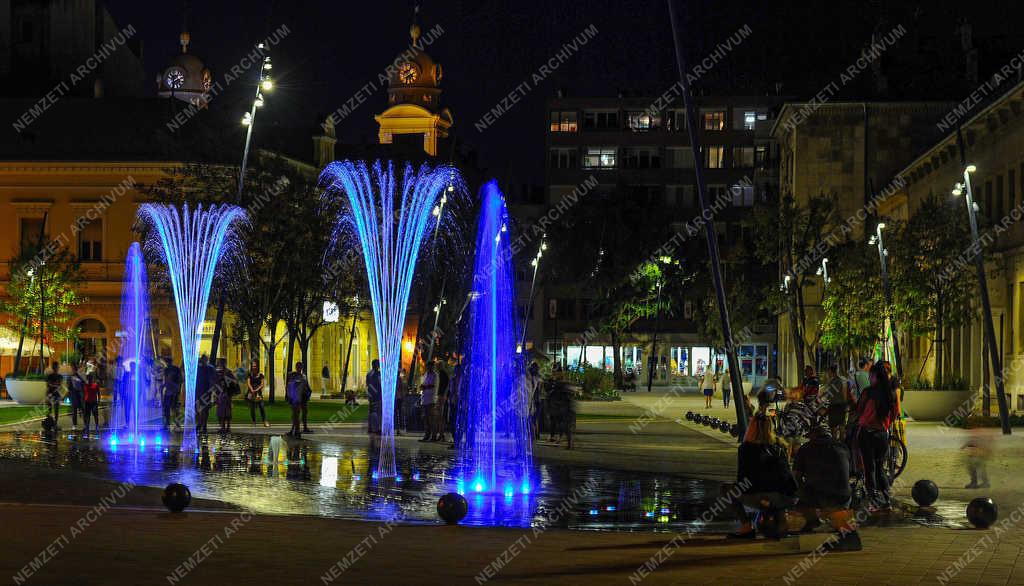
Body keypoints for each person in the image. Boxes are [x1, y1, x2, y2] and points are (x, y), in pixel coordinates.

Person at [728, 389, 798, 539]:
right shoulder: (780, 446)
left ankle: (747, 527)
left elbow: (742, 478)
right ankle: (779, 523)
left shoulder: (746, 449)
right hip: (784, 495)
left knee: (727, 490)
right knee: (775, 495)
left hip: (760, 494)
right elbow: (785, 474)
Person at [792, 424, 862, 551]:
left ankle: (815, 521)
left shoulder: (806, 448)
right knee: (838, 503)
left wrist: (802, 489)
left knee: (799, 498)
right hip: (844, 493)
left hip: (822, 494)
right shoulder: (842, 447)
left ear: (813, 436)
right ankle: (821, 523)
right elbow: (852, 471)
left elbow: (796, 475)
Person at [853, 361, 896, 508]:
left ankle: (873, 498)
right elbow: (894, 415)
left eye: (871, 375)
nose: (869, 378)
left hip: (866, 433)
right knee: (879, 467)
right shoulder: (891, 394)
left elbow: (859, 410)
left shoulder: (868, 392)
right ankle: (886, 498)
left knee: (868, 467)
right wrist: (884, 426)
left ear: (875, 376)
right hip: (882, 435)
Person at [822, 364, 850, 438]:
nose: (828, 373)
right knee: (840, 425)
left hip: (836, 406)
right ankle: (840, 443)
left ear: (831, 371)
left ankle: (838, 443)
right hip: (840, 406)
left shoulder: (836, 381)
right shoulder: (838, 380)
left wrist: (823, 397)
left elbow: (831, 393)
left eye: (828, 372)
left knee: (836, 427)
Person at [285, 362, 312, 438]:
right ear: (296, 367)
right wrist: (290, 396)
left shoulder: (303, 376)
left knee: (301, 413)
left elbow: (306, 386)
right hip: (296, 398)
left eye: (300, 367)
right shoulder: (293, 376)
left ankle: (300, 429)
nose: (299, 368)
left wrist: (308, 393)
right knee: (295, 415)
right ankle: (296, 430)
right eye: (298, 367)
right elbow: (290, 387)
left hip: (303, 398)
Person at [214, 358, 236, 433]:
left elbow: (233, 383)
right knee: (222, 411)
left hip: (226, 394)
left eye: (221, 363)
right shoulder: (219, 372)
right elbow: (216, 383)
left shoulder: (227, 372)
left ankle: (227, 426)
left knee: (226, 410)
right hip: (222, 394)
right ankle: (223, 426)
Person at [195, 355, 215, 434]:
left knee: (205, 409)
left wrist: (211, 390)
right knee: (198, 409)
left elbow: (212, 380)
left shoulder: (209, 368)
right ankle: (200, 424)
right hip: (199, 390)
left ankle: (203, 425)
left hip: (206, 391)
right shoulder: (199, 368)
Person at [162, 358, 182, 431]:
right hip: (171, 391)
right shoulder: (172, 369)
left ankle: (172, 423)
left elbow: (180, 379)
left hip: (171, 391)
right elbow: (180, 380)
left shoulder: (170, 370)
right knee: (171, 408)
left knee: (172, 408)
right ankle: (171, 423)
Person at [419, 362, 438, 442]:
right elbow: (423, 384)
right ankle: (427, 435)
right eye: (428, 366)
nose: (429, 368)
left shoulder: (435, 375)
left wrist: (424, 387)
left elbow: (433, 385)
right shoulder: (425, 374)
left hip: (431, 399)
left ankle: (433, 436)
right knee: (425, 418)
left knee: (431, 418)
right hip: (424, 399)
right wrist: (422, 386)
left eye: (431, 366)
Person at [246, 362, 268, 427]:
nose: (254, 367)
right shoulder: (249, 375)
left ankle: (264, 421)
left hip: (258, 394)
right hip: (251, 393)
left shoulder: (261, 375)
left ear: (257, 367)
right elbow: (248, 383)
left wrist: (256, 390)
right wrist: (252, 389)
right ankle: (253, 422)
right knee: (252, 408)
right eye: (253, 366)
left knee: (262, 407)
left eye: (255, 366)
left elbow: (262, 384)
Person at [366, 359, 382, 442]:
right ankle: (374, 428)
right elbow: (371, 385)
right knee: (374, 412)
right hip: (375, 396)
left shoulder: (375, 373)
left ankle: (374, 428)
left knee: (375, 412)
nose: (378, 366)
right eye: (377, 364)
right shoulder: (373, 374)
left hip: (376, 395)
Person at [434, 361, 450, 442]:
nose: (436, 367)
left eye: (437, 365)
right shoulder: (442, 374)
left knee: (440, 416)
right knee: (439, 416)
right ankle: (440, 434)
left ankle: (441, 434)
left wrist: (444, 395)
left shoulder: (442, 374)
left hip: (441, 396)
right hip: (440, 396)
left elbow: (446, 385)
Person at [45, 361, 63, 429]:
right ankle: (50, 422)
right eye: (56, 366)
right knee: (49, 408)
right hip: (50, 393)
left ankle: (55, 423)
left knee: (56, 409)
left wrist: (53, 386)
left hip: (55, 394)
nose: (57, 368)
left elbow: (59, 385)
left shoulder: (59, 376)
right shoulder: (50, 376)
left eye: (57, 366)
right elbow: (48, 385)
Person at [67, 363, 85, 431]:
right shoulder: (70, 377)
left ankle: (85, 424)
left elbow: (83, 384)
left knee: (82, 410)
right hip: (74, 395)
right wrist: (69, 395)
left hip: (79, 395)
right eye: (72, 368)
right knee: (74, 411)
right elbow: (68, 387)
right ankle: (74, 425)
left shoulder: (79, 376)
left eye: (74, 368)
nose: (73, 370)